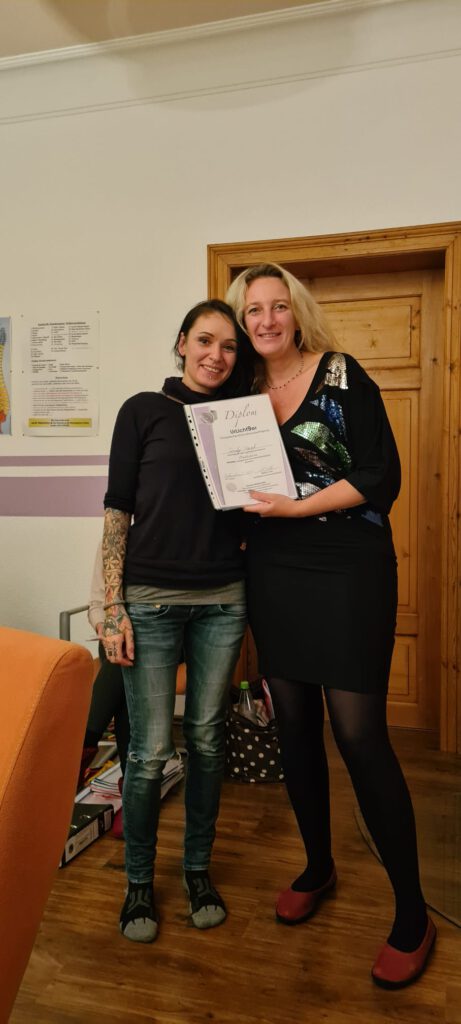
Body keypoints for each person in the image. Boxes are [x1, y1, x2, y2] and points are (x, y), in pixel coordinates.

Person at [226, 262, 435, 990]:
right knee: (293, 726)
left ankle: (412, 913)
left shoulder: (342, 374)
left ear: (297, 312)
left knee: (358, 735)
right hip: (273, 570)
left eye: (278, 305)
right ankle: (317, 865)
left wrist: (295, 508)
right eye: (253, 309)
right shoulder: (239, 393)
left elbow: (381, 474)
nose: (267, 319)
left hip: (347, 564)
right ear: (243, 320)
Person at [101, 299, 249, 943]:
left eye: (230, 347)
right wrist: (112, 608)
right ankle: (139, 881)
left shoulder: (241, 418)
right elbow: (117, 512)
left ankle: (197, 871)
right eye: (206, 340)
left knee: (209, 740)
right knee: (149, 752)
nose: (217, 355)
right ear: (183, 342)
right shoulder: (142, 411)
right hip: (151, 600)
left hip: (224, 601)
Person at [77, 540, 130, 840]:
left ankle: (82, 746)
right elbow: (97, 604)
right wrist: (105, 628)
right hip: (116, 643)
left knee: (127, 658)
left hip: (162, 638)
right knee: (120, 658)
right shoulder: (112, 541)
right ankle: (132, 791)